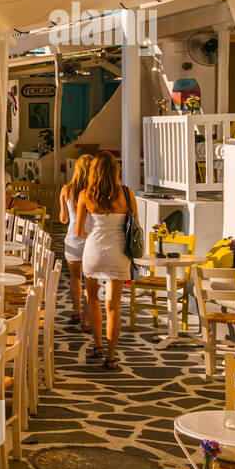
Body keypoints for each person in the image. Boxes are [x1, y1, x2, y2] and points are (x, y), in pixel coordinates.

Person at [76, 152, 137, 371]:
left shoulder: (85, 194)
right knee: (113, 306)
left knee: (92, 299)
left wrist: (95, 235)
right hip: (118, 252)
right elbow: (133, 224)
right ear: (115, 171)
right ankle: (111, 357)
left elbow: (79, 231)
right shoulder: (126, 194)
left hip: (94, 251)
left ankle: (98, 344)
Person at [60, 154, 95, 332]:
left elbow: (63, 219)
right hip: (92, 241)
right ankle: (87, 321)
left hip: (73, 241)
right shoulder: (95, 191)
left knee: (75, 278)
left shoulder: (66, 189)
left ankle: (76, 312)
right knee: (90, 281)